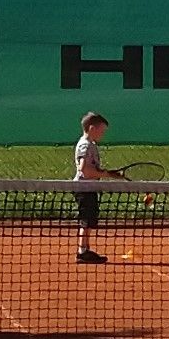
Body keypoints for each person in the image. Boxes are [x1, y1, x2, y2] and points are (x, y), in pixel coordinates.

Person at [73, 111, 111, 264]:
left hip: (90, 187)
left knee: (89, 220)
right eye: (101, 131)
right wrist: (104, 174)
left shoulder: (91, 145)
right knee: (86, 220)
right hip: (84, 188)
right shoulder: (85, 145)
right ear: (91, 128)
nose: (102, 134)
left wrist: (105, 173)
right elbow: (84, 169)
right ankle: (82, 252)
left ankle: (85, 249)